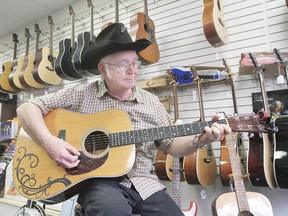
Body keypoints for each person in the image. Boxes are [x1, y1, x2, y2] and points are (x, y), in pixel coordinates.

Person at [16, 23, 231, 216]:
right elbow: (27, 108)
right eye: (123, 64)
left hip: (144, 183)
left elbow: (171, 145)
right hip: (99, 182)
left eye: (135, 63)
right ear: (103, 69)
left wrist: (198, 141)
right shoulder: (80, 94)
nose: (132, 70)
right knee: (112, 209)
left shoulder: (151, 102)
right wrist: (49, 142)